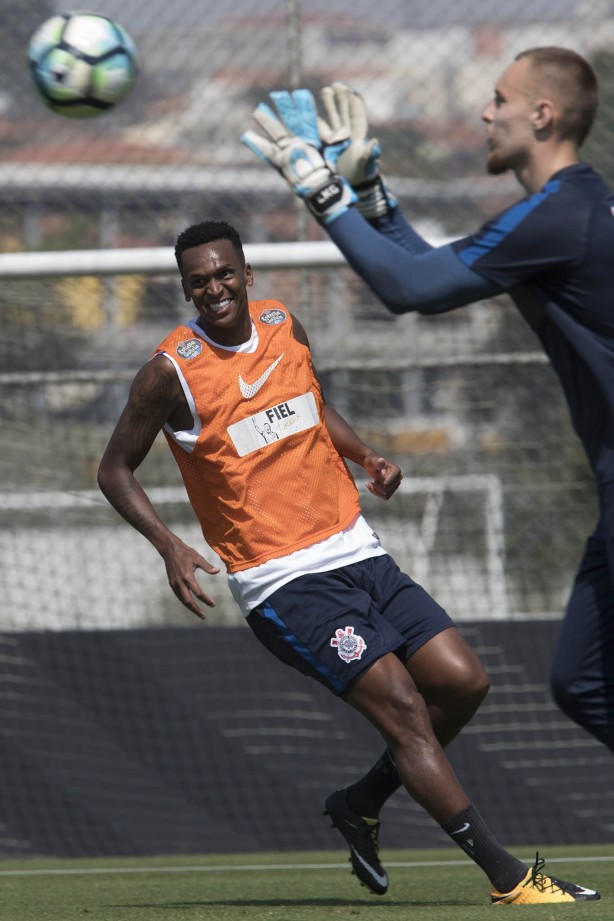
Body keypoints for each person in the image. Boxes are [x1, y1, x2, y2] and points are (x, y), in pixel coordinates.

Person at [98, 219, 599, 905]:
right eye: (198, 280)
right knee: (404, 710)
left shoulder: (283, 323)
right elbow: (115, 469)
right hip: (283, 580)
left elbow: (312, 408)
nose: (213, 287)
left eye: (223, 273)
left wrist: (366, 456)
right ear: (185, 288)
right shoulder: (169, 372)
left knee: (463, 682)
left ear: (246, 273)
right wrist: (169, 544)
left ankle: (360, 802)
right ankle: (511, 878)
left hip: (356, 548)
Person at [242, 45, 614, 785]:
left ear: (542, 115)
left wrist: (323, 193)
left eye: (501, 100)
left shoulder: (560, 215)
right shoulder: (566, 209)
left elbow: (406, 289)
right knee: (581, 681)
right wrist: (373, 196)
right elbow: (432, 268)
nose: (486, 112)